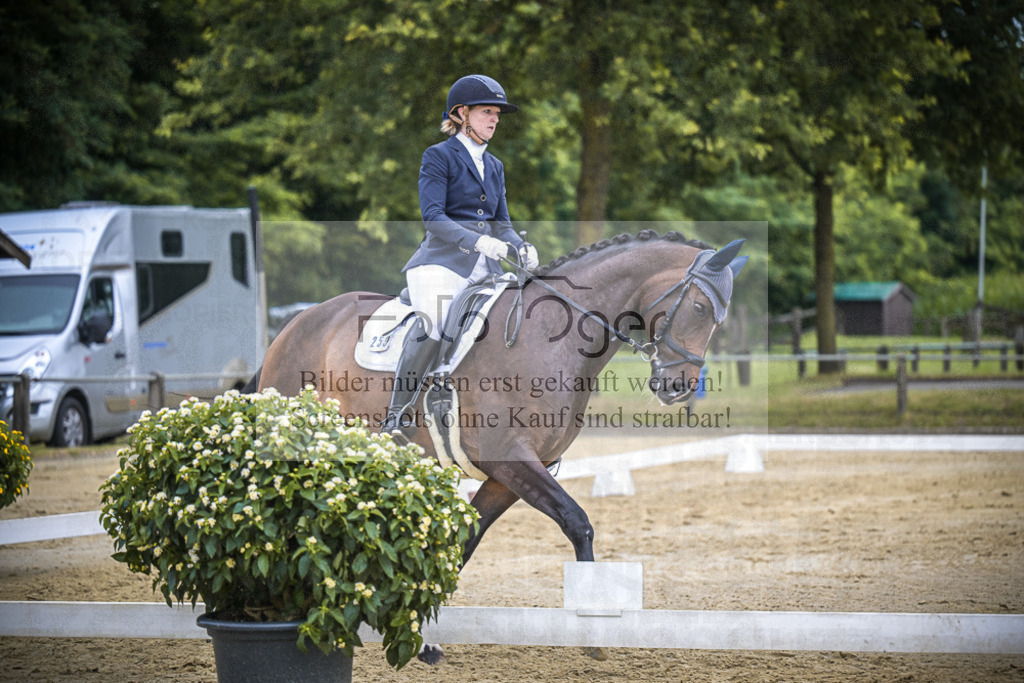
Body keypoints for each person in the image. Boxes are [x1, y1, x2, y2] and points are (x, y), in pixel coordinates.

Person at [382, 74, 539, 444]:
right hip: (440, 263)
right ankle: (396, 416)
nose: (495, 119)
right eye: (487, 112)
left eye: (498, 113)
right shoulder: (438, 156)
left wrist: (521, 248)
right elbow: (433, 217)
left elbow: (502, 225)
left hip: (487, 268)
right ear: (462, 113)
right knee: (435, 320)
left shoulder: (495, 166)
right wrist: (477, 243)